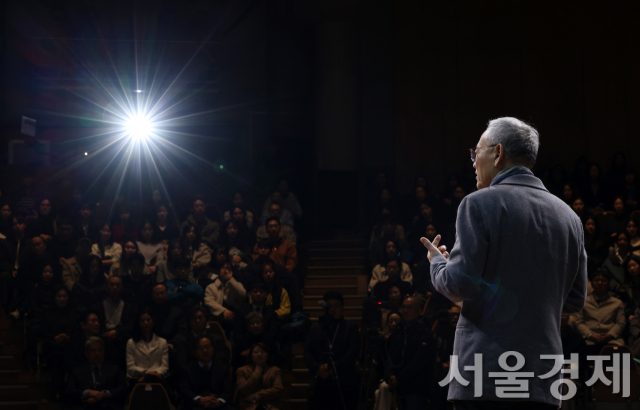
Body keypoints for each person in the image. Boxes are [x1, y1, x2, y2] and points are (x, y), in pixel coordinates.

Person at [422, 117, 587, 409]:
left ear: (498, 153)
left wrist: (437, 265)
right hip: (542, 381)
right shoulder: (570, 219)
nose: (473, 162)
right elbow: (575, 299)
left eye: (477, 152)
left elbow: (460, 285)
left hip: (485, 378)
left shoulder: (478, 203)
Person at [304, 291, 360, 410]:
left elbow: (353, 352)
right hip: (320, 381)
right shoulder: (316, 328)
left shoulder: (350, 327)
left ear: (342, 308)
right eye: (329, 306)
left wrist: (333, 367)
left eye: (337, 306)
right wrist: (317, 367)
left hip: (343, 382)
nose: (332, 309)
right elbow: (307, 352)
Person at [383, 295, 436, 409]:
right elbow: (390, 355)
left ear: (419, 311)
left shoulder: (424, 333)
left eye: (410, 307)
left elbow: (419, 362)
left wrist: (399, 378)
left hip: (416, 387)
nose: (405, 310)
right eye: (403, 307)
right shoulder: (398, 331)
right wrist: (390, 374)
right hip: (398, 386)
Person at [65, 337, 127, 410]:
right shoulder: (77, 371)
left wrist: (104, 394)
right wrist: (88, 393)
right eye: (93, 350)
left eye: (100, 350)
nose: (97, 354)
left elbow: (123, 389)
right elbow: (70, 392)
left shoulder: (115, 369)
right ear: (86, 353)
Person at [575, 270, 627, 351]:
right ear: (591, 284)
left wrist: (610, 335)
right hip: (589, 340)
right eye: (596, 280)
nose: (599, 283)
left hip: (612, 339)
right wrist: (590, 335)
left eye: (603, 280)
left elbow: (620, 323)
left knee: (619, 352)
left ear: (608, 284)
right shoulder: (583, 302)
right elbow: (579, 322)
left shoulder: (617, 302)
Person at [178, 335, 233, 409]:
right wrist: (199, 399)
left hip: (217, 404)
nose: (205, 351)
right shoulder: (187, 369)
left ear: (213, 350)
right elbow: (184, 391)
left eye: (208, 347)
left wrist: (218, 401)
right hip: (195, 404)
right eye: (201, 348)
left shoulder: (222, 367)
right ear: (196, 353)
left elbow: (228, 391)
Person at [125, 309, 169, 384]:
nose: (146, 323)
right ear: (138, 323)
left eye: (148, 319)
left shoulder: (162, 342)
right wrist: (147, 373)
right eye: (142, 320)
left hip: (157, 380)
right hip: (137, 380)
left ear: (153, 322)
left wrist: (151, 376)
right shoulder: (131, 343)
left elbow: (165, 367)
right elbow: (131, 368)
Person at [236, 342, 284, 410]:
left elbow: (278, 389)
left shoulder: (275, 370)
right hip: (249, 406)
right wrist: (257, 373)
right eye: (255, 352)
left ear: (267, 355)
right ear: (251, 355)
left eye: (263, 352)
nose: (259, 354)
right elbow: (242, 390)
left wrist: (256, 396)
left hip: (270, 406)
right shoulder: (242, 370)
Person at [204, 261, 246, 331]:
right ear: (219, 271)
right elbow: (209, 302)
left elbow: (243, 294)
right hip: (217, 315)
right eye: (224, 268)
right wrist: (223, 310)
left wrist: (230, 279)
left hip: (234, 314)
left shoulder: (236, 284)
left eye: (229, 269)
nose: (226, 271)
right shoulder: (211, 287)